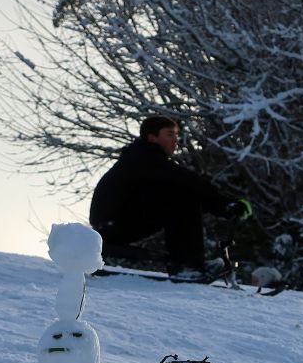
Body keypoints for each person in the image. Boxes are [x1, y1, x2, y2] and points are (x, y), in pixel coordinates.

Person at [89, 116, 252, 278]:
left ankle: (188, 263)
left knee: (180, 197)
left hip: (113, 223)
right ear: (152, 138)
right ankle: (188, 266)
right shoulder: (146, 158)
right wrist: (225, 205)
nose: (176, 140)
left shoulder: (142, 158)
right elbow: (187, 181)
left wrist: (220, 206)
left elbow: (187, 183)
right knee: (183, 200)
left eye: (176, 135)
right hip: (113, 225)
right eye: (170, 134)